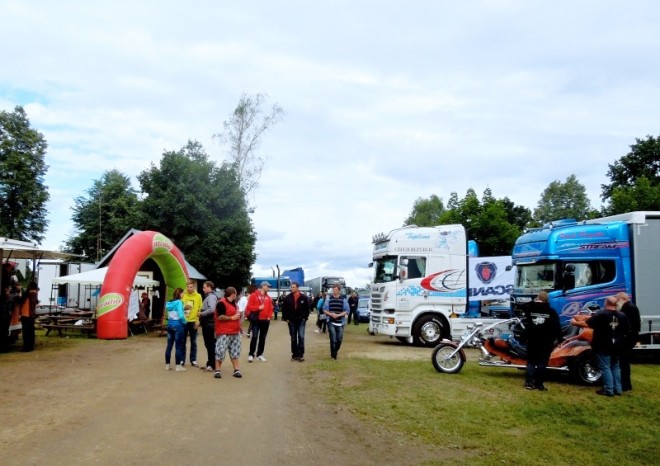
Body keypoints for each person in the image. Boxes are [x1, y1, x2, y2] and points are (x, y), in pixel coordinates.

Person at [574, 296, 630, 397]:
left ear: (606, 303)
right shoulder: (622, 315)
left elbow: (589, 324)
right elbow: (626, 330)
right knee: (616, 367)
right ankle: (618, 389)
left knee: (605, 367)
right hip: (617, 345)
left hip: (603, 345)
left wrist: (575, 322)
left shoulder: (601, 314)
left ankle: (609, 390)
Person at [520, 291, 563, 391]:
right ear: (547, 300)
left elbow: (523, 306)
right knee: (542, 363)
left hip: (532, 339)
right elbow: (557, 327)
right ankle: (539, 384)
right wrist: (560, 339)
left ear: (537, 298)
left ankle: (529, 383)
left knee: (531, 362)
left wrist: (534, 302)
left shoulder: (530, 309)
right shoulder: (551, 311)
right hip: (546, 341)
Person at [214, 287, 243, 379]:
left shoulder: (234, 304)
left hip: (235, 331)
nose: (237, 295)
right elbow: (219, 317)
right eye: (236, 294)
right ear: (233, 294)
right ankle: (217, 370)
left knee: (235, 351)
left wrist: (239, 326)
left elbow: (235, 316)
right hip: (224, 332)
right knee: (220, 351)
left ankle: (236, 370)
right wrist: (232, 318)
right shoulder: (221, 303)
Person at [616, 292, 641, 391]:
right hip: (629, 338)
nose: (617, 302)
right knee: (623, 361)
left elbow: (627, 324)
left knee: (624, 362)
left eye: (617, 300)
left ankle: (625, 385)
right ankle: (625, 383)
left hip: (627, 339)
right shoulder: (630, 307)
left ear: (623, 299)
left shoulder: (629, 308)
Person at [281, 282, 311, 361]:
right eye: (291, 287)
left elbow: (307, 309)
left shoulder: (304, 297)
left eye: (293, 287)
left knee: (301, 337)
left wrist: (305, 318)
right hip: (291, 321)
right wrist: (286, 318)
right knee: (293, 337)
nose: (292, 288)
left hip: (301, 320)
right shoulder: (287, 298)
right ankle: (294, 354)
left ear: (297, 288)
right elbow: (284, 309)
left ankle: (300, 354)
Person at [245, 281, 274, 362]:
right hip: (256, 320)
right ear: (263, 286)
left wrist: (269, 316)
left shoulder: (268, 297)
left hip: (265, 320)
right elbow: (249, 306)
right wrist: (258, 307)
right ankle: (251, 354)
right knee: (254, 337)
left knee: (262, 338)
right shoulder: (254, 295)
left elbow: (270, 308)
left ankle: (260, 354)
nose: (269, 288)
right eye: (268, 286)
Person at [323, 285, 349, 360]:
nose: (334, 291)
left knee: (339, 339)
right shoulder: (328, 299)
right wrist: (331, 314)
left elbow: (347, 311)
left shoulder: (343, 300)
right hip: (331, 321)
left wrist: (338, 315)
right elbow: (324, 309)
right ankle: (333, 356)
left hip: (340, 322)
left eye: (335, 290)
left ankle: (335, 351)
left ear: (339, 291)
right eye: (333, 290)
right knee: (333, 339)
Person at [165, 287, 188, 371]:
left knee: (169, 346)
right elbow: (181, 315)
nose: (183, 295)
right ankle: (178, 366)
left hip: (170, 325)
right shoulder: (179, 302)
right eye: (182, 293)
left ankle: (167, 365)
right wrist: (185, 322)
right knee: (178, 346)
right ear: (179, 294)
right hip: (178, 326)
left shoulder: (169, 303)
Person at [181, 279, 203, 367]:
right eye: (188, 287)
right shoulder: (183, 295)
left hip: (194, 321)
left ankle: (193, 360)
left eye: (191, 287)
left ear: (193, 287)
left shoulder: (198, 296)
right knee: (183, 342)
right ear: (186, 287)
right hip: (184, 321)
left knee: (193, 342)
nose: (189, 288)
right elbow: (179, 307)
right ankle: (182, 359)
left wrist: (198, 320)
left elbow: (200, 309)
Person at [198, 281, 218, 372]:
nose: (203, 289)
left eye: (204, 287)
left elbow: (212, 309)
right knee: (209, 344)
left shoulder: (211, 297)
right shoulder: (209, 297)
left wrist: (201, 313)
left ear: (209, 287)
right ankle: (210, 363)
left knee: (210, 344)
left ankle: (212, 364)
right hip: (207, 324)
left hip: (209, 324)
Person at [19, 282, 39, 352]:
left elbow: (20, 300)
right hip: (32, 315)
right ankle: (31, 345)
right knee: (31, 331)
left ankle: (26, 347)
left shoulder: (28, 294)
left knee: (26, 332)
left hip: (26, 314)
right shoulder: (35, 294)